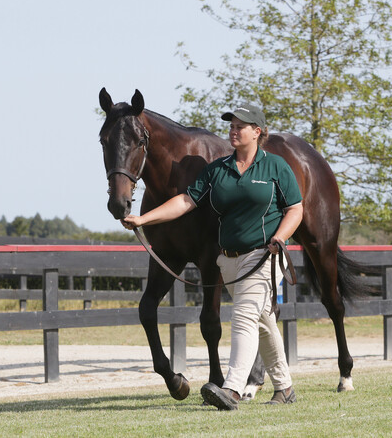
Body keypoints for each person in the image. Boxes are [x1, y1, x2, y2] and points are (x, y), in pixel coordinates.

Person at [121, 103, 303, 410]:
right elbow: (185, 201)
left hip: (262, 256)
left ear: (256, 132)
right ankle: (284, 389)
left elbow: (295, 209)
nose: (232, 131)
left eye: (239, 126)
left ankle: (230, 388)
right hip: (229, 261)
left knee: (244, 318)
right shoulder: (218, 169)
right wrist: (144, 219)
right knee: (263, 323)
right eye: (231, 126)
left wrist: (280, 237)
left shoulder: (276, 167)